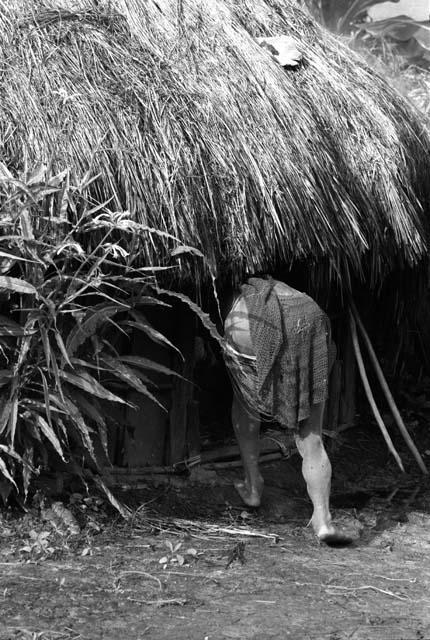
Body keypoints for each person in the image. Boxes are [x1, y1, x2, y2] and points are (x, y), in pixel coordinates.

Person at [223, 275, 352, 546]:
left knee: (245, 407)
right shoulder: (300, 299)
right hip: (310, 322)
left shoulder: (236, 298)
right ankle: (323, 521)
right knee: (311, 435)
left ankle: (253, 487)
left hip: (248, 327)